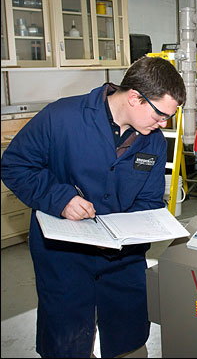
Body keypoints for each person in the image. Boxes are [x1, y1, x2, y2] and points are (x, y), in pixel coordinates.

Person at [1, 56, 186, 358]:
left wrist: (132, 231)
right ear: (135, 97)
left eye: (169, 117)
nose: (163, 124)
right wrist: (60, 199)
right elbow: (15, 165)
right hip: (64, 258)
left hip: (123, 262)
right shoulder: (62, 117)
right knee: (67, 342)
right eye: (160, 114)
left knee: (129, 341)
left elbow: (150, 200)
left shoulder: (151, 140)